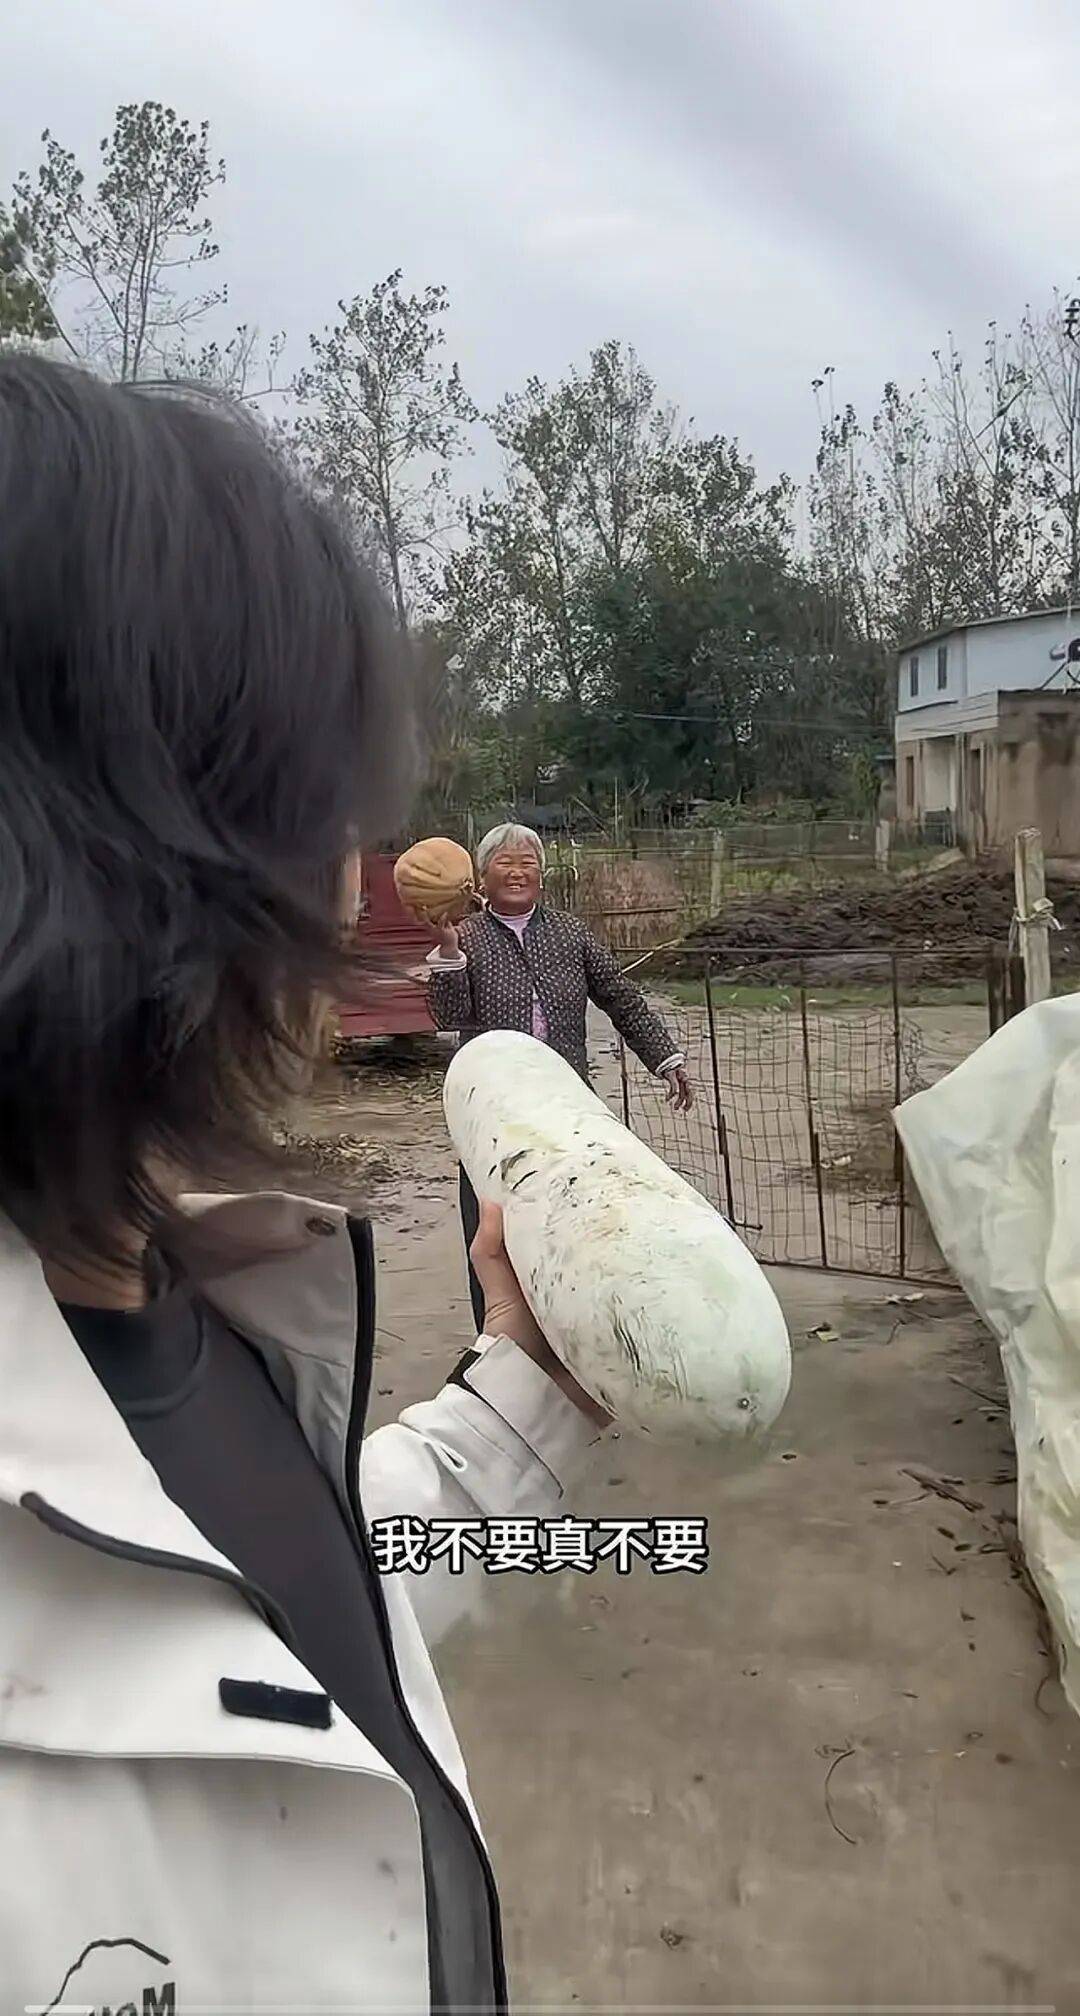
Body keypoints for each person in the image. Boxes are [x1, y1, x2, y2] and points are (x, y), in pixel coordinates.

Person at [0, 353, 610, 2015]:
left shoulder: (159, 1309)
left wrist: (523, 1387)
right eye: (324, 810)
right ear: (149, 852)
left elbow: (246, 1610)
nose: (351, 889)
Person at [426, 823, 693, 1331]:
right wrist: (448, 954)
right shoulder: (466, 936)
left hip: (566, 1107)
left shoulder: (571, 934)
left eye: (527, 862)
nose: (517, 872)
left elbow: (620, 998)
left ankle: (572, 1331)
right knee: (493, 1227)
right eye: (505, 862)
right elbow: (448, 1017)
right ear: (481, 878)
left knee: (571, 1219)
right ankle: (500, 1335)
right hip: (495, 1113)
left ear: (542, 874)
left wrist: (666, 1058)